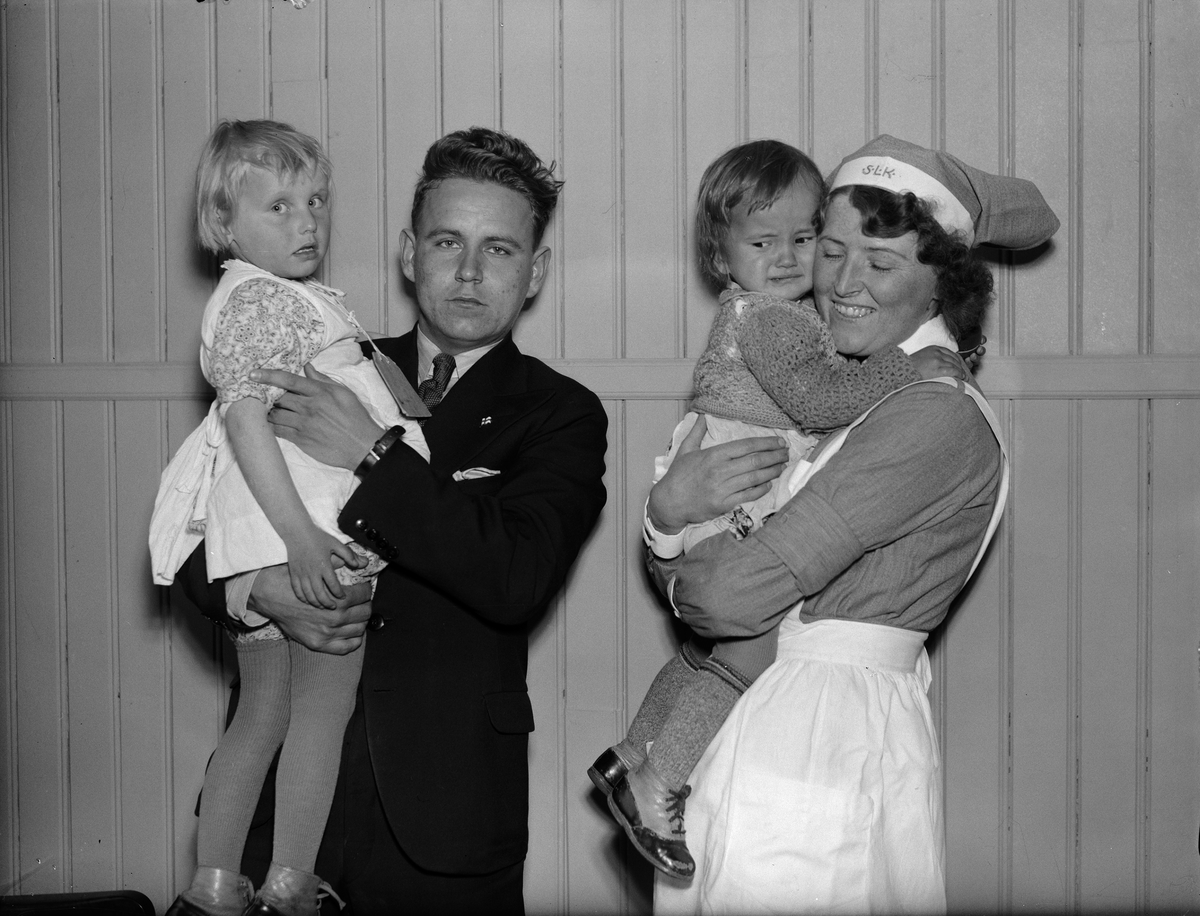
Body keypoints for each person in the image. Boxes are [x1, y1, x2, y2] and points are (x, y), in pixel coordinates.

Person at [180, 126, 608, 915]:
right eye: (447, 242)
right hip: (273, 820)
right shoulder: (314, 352)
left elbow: (516, 578)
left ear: (536, 271)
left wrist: (374, 452)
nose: (470, 271)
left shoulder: (560, 414)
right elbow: (193, 527)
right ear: (409, 254)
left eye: (500, 249)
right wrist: (256, 590)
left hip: (442, 823)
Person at [641, 135, 1058, 913]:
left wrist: (678, 545)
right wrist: (667, 516)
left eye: (881, 262)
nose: (841, 282)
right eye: (830, 250)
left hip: (819, 748)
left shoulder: (932, 414)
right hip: (755, 734)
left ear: (942, 283)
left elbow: (724, 600)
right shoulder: (850, 391)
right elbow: (707, 579)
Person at [586, 139, 968, 879]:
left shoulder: (773, 317)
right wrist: (906, 366)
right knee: (746, 649)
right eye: (765, 244)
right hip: (741, 482)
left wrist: (669, 523)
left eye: (805, 238)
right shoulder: (772, 320)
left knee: (703, 655)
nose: (792, 259)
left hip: (736, 495)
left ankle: (631, 753)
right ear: (722, 256)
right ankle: (656, 780)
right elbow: (818, 400)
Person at [152, 120, 430, 916]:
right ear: (223, 222)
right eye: (278, 205)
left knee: (262, 711)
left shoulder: (272, 297)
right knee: (321, 710)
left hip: (265, 540)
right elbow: (244, 421)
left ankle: (215, 883)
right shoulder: (264, 300)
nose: (306, 220)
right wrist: (303, 541)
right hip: (306, 530)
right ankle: (288, 881)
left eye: (315, 200)